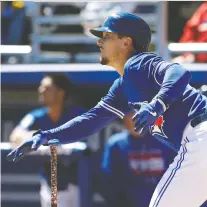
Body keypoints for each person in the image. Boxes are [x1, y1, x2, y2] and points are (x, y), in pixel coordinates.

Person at [7, 12, 207, 207]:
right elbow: (91, 121)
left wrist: (157, 104)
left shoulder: (139, 63)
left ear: (126, 42)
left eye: (107, 36)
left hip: (200, 135)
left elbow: (179, 71)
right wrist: (45, 136)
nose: (99, 42)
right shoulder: (122, 87)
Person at [10, 73, 85, 207]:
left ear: (61, 92)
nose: (41, 90)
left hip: (79, 184)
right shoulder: (36, 116)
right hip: (49, 184)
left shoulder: (77, 115)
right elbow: (16, 136)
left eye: (47, 88)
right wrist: (41, 136)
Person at [100, 113, 175, 207]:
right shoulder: (116, 144)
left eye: (137, 114)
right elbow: (109, 181)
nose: (134, 119)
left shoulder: (165, 141)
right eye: (130, 115)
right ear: (124, 119)